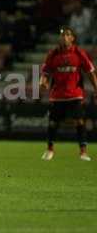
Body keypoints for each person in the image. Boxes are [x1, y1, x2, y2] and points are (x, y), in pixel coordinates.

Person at [40, 26, 97, 161]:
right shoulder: (53, 54)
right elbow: (46, 72)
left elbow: (90, 72)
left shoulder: (79, 53)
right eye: (62, 35)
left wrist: (96, 89)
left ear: (72, 38)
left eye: (67, 35)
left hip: (75, 94)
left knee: (79, 121)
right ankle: (49, 150)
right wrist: (43, 82)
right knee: (53, 123)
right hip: (57, 95)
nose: (64, 38)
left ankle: (83, 152)